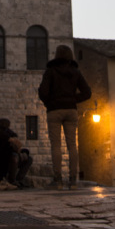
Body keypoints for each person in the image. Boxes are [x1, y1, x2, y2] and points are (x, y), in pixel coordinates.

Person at [38, 44, 91, 190]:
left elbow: (43, 92)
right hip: (71, 110)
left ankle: (58, 180)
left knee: (56, 146)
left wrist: (50, 102)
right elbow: (87, 92)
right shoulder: (76, 72)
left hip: (54, 110)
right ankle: (73, 181)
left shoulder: (50, 71)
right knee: (72, 145)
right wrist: (73, 99)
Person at [0, 118, 33, 188]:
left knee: (28, 159)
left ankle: (19, 180)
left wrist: (22, 153)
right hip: (4, 158)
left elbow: (16, 145)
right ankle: (12, 180)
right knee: (14, 157)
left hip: (12, 154)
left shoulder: (10, 133)